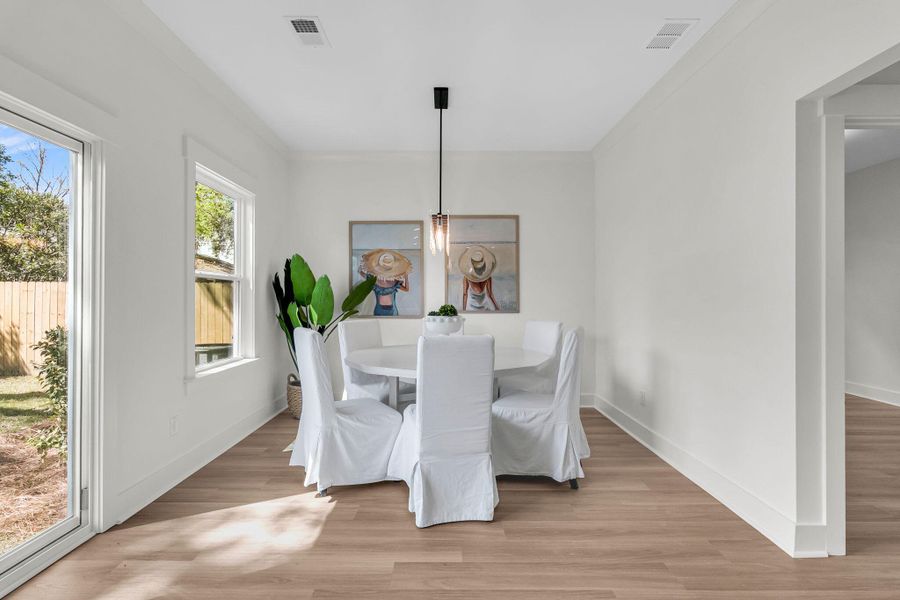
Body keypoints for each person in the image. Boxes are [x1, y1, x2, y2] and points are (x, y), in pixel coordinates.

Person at [358, 249, 412, 317]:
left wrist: (406, 276)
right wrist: (366, 260)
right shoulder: (374, 279)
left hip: (392, 310)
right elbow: (360, 271)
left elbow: (407, 289)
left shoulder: (394, 281)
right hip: (379, 310)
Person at [459, 245, 499, 311]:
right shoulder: (487, 277)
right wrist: (496, 307)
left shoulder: (467, 278)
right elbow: (490, 295)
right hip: (480, 308)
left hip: (474, 308)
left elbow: (465, 294)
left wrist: (464, 309)